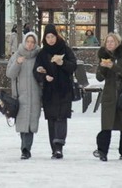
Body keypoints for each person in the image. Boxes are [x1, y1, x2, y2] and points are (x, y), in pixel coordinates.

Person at [33, 23, 77, 159]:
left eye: (52, 36)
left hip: (64, 89)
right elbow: (36, 70)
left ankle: (59, 147)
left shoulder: (65, 49)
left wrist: (62, 63)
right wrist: (44, 76)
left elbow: (73, 66)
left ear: (56, 36)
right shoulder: (42, 53)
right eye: (48, 37)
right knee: (51, 119)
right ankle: (53, 148)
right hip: (49, 91)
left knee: (61, 118)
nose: (50, 39)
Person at [93, 32, 122, 161]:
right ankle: (102, 151)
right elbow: (99, 78)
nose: (109, 44)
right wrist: (102, 68)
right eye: (107, 42)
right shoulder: (103, 56)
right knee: (107, 124)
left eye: (112, 42)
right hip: (109, 94)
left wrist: (114, 67)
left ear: (117, 43)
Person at [6, 31, 43, 160]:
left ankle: (26, 149)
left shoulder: (39, 56)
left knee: (31, 123)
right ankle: (24, 148)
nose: (30, 44)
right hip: (20, 96)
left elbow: (44, 73)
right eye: (28, 41)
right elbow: (10, 74)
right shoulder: (17, 55)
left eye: (33, 42)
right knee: (22, 123)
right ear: (24, 42)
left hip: (35, 95)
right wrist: (17, 63)